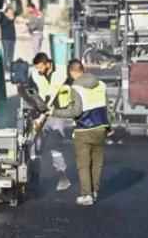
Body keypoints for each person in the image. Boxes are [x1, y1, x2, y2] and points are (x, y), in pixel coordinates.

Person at [50, 59, 110, 206]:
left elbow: (75, 111)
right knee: (97, 163)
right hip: (101, 128)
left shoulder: (76, 87)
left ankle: (86, 195)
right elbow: (106, 107)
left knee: (83, 164)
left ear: (72, 72)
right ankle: (95, 191)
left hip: (84, 129)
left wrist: (55, 112)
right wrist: (109, 126)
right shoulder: (101, 85)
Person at [29, 53, 71, 192]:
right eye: (37, 68)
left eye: (40, 67)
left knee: (54, 145)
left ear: (47, 63)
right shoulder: (35, 74)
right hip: (42, 114)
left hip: (58, 114)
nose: (39, 71)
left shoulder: (62, 72)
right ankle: (34, 178)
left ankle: (62, 176)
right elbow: (32, 92)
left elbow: (70, 89)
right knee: (36, 146)